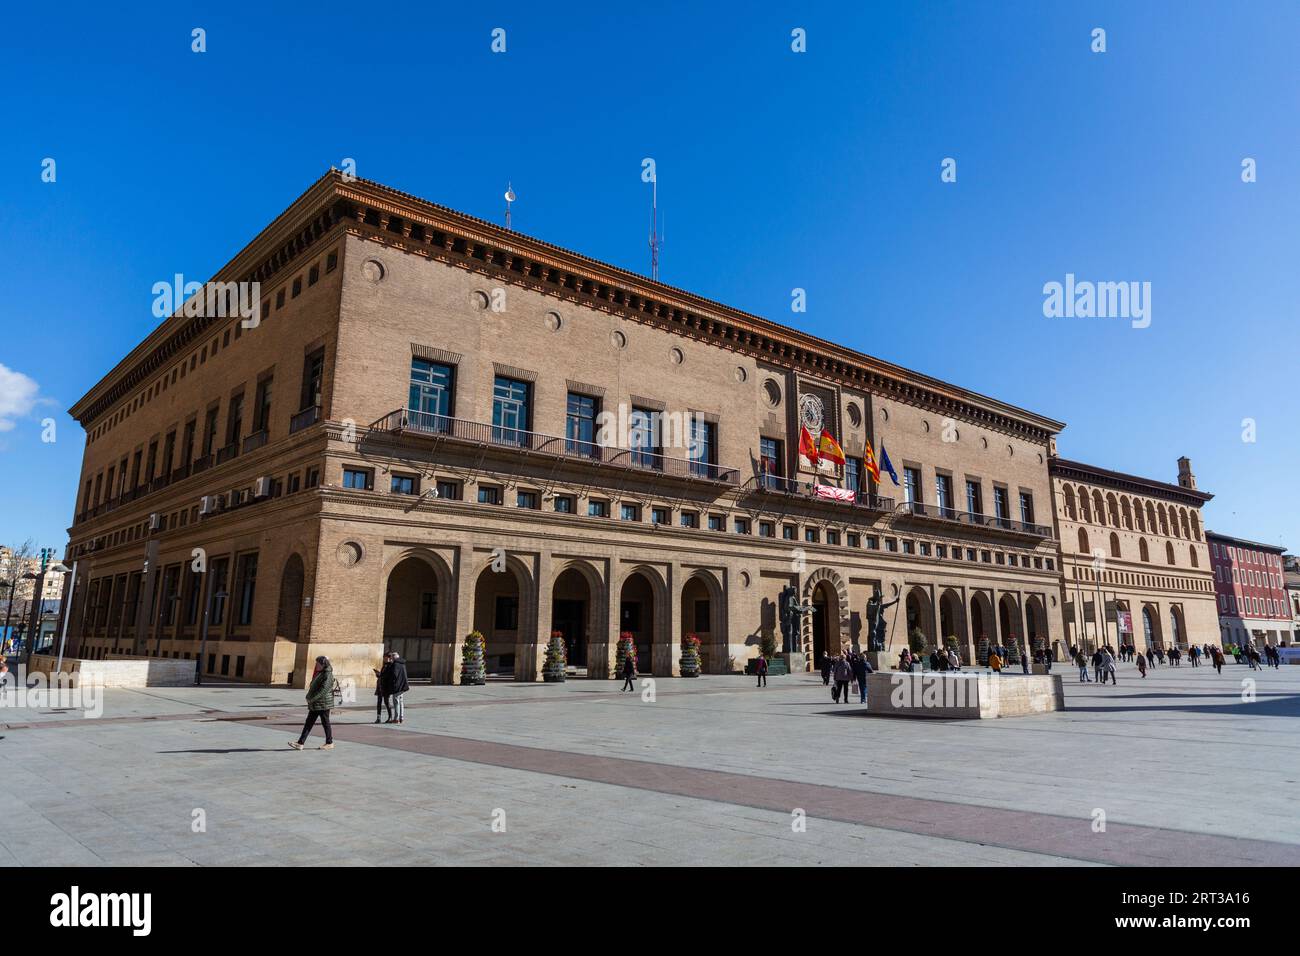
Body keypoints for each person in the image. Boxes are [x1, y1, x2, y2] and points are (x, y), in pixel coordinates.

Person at [289, 656, 335, 751]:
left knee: (325, 723)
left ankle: (329, 743)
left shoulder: (328, 675)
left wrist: (312, 699)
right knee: (309, 723)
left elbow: (323, 690)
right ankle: (300, 743)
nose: (316, 665)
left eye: (318, 664)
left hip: (323, 704)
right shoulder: (321, 673)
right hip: (316, 703)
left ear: (323, 664)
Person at [388, 653, 410, 724]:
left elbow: (394, 675)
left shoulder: (395, 665)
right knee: (401, 702)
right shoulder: (402, 663)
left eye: (391, 658)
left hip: (397, 686)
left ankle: (396, 719)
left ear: (393, 658)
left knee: (396, 702)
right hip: (402, 686)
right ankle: (401, 717)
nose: (390, 659)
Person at [374, 652, 393, 724]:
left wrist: (380, 675)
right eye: (384, 658)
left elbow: (388, 676)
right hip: (380, 685)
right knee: (379, 702)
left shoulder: (391, 666)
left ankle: (390, 717)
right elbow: (383, 675)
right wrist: (379, 675)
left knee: (386, 702)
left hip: (386, 687)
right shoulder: (384, 665)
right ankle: (378, 718)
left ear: (389, 658)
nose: (384, 659)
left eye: (385, 658)